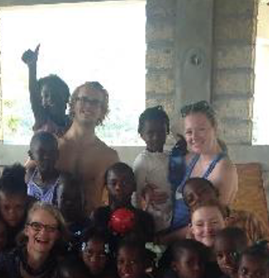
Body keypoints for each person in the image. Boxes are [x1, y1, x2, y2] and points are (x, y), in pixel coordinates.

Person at [164, 102, 239, 243]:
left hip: (197, 246)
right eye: (189, 132)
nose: (194, 137)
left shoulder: (223, 169)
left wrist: (163, 240)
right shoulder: (191, 158)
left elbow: (209, 226)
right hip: (173, 237)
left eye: (201, 129)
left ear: (214, 128)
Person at [57, 81, 120, 216]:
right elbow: (26, 176)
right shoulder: (53, 148)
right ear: (73, 104)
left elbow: (121, 196)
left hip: (90, 225)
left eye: (95, 102)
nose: (88, 105)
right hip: (53, 225)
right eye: (84, 99)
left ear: (102, 111)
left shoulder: (109, 156)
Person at [90, 162, 156, 249]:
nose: (118, 187)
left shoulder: (144, 219)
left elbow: (149, 249)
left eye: (125, 182)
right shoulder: (99, 216)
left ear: (134, 186)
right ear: (106, 187)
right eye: (113, 183)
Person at [133, 105, 173, 233]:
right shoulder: (142, 161)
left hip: (173, 218)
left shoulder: (171, 156)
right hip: (153, 221)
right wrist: (138, 222)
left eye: (161, 132)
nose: (156, 137)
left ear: (167, 131)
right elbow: (136, 194)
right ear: (141, 134)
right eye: (150, 133)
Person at [21, 44, 71, 137]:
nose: (51, 98)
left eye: (56, 94)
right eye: (46, 96)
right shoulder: (42, 119)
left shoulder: (71, 123)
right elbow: (34, 95)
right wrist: (32, 67)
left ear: (67, 98)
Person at [0, 164, 32, 242]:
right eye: (6, 207)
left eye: (19, 207)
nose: (12, 214)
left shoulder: (33, 219)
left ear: (27, 201)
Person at [26, 131, 63, 205]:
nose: (47, 157)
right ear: (31, 155)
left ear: (57, 154)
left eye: (51, 152)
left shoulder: (63, 183)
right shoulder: (29, 176)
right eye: (41, 152)